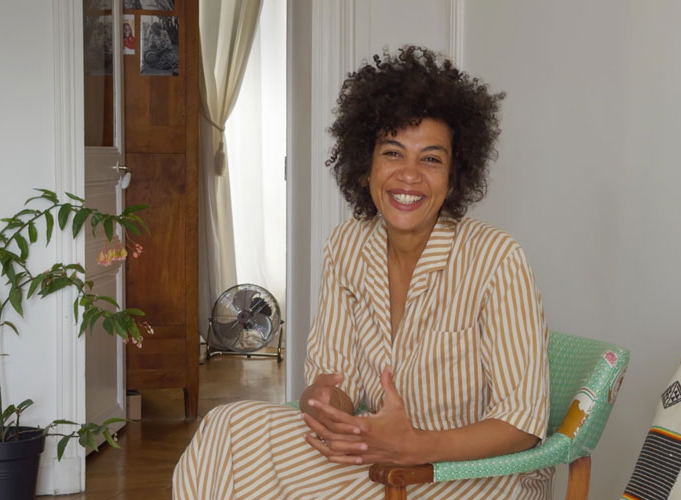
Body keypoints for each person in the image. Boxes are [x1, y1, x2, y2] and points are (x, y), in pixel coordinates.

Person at [173, 46, 551, 499]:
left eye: (431, 159)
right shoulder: (346, 247)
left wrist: (413, 446)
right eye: (393, 153)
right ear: (366, 165)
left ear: (453, 177)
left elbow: (522, 424)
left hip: (474, 472)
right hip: (376, 452)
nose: (409, 175)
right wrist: (324, 402)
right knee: (228, 428)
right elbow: (336, 380)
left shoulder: (497, 259)